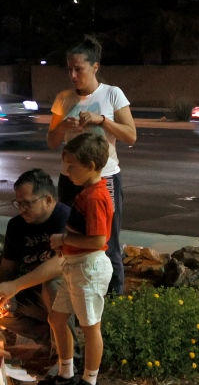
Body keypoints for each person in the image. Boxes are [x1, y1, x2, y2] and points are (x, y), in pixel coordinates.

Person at [0, 132, 113, 385]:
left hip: (88, 268)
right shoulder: (86, 194)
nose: (66, 171)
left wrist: (64, 240)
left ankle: (90, 382)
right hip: (75, 266)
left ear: (91, 165)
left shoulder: (94, 197)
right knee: (56, 318)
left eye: (72, 166)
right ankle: (66, 373)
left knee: (91, 326)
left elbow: (98, 240)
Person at [47, 35, 136, 295]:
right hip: (69, 180)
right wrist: (62, 126)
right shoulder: (64, 99)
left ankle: (114, 301)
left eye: (79, 69)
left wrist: (102, 121)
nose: (73, 75)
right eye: (70, 69)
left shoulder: (112, 94)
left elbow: (130, 135)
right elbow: (52, 141)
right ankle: (75, 293)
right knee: (71, 236)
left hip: (104, 179)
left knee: (108, 241)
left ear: (95, 67)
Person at [0, 168, 70, 357]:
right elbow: (6, 268)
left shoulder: (65, 218)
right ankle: (49, 341)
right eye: (18, 203)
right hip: (34, 295)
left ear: (48, 199)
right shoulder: (16, 225)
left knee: (52, 285)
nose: (21, 209)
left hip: (68, 294)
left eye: (27, 203)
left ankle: (66, 355)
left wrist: (15, 286)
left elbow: (61, 263)